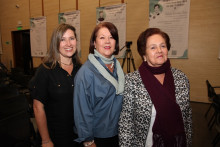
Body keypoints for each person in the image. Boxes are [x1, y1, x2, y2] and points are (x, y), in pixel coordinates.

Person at [118, 28, 192, 147]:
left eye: (163, 46)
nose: (159, 51)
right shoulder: (132, 81)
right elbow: (126, 123)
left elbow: (187, 119)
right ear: (144, 55)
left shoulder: (181, 78)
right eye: (153, 47)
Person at [29, 23, 81, 147]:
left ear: (76, 41)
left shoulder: (81, 69)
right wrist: (46, 140)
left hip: (78, 136)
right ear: (56, 43)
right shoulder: (45, 70)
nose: (68, 44)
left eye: (71, 38)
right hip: (54, 137)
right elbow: (38, 107)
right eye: (62, 39)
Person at [74, 22, 125, 147]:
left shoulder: (117, 67)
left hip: (119, 133)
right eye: (102, 37)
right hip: (98, 138)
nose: (107, 41)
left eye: (111, 37)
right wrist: (88, 141)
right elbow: (82, 111)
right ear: (94, 43)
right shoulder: (86, 72)